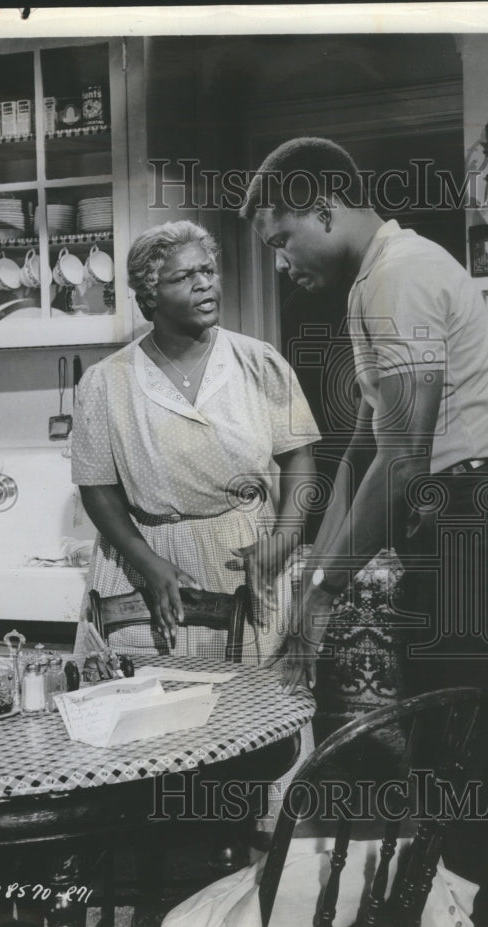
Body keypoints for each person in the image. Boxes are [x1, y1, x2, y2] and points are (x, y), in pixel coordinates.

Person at [241, 137, 488, 927]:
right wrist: (317, 559)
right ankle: (450, 919)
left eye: (281, 239)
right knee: (443, 744)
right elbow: (369, 437)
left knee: (485, 744)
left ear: (324, 208)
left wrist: (322, 591)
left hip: (477, 521)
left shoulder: (399, 277)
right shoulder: (369, 285)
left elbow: (407, 451)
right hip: (454, 522)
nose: (279, 262)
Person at [71, 219, 321, 667]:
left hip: (244, 560)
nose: (205, 283)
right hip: (145, 564)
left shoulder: (258, 362)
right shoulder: (106, 382)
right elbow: (96, 489)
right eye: (185, 277)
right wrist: (148, 563)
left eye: (208, 271)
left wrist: (282, 541)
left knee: (252, 713)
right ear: (150, 296)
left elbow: (300, 456)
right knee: (148, 715)